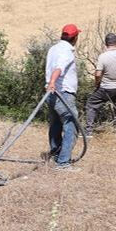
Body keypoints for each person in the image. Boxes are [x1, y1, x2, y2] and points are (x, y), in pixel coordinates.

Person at [45, 23, 81, 170]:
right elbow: (59, 68)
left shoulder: (53, 48)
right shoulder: (67, 51)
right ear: (75, 38)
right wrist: (53, 81)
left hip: (51, 94)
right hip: (63, 94)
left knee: (55, 124)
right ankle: (63, 162)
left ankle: (56, 153)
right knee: (71, 125)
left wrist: (50, 85)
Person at [84, 33, 116, 138]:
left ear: (106, 43)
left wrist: (97, 84)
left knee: (91, 104)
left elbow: (98, 74)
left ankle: (88, 132)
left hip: (105, 88)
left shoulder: (103, 57)